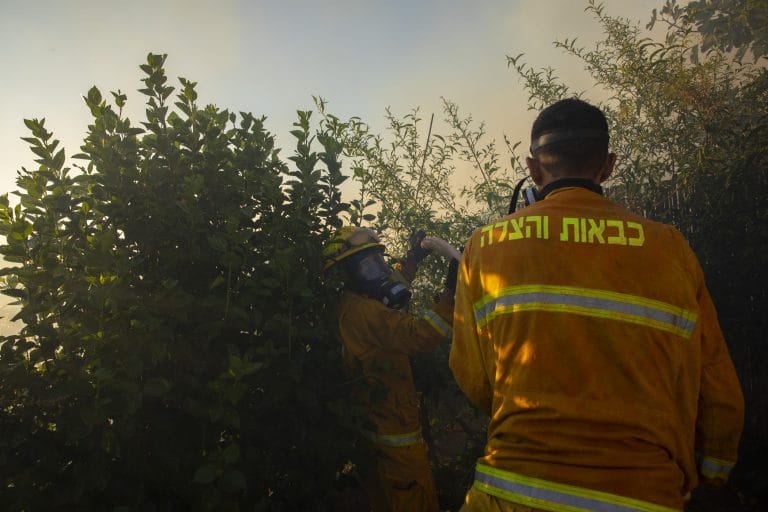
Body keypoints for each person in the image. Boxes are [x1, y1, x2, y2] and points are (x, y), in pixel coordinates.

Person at [449, 98, 744, 512]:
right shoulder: (669, 247)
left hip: (512, 492)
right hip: (644, 495)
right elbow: (715, 380)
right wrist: (714, 470)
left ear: (533, 169)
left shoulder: (486, 246)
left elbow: (475, 377)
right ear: (607, 166)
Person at [323, 226, 457, 512]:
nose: (380, 272)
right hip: (396, 439)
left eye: (379, 262)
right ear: (348, 274)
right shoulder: (365, 312)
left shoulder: (352, 301)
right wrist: (450, 294)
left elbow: (388, 279)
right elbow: (420, 335)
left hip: (373, 433)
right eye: (369, 266)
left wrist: (413, 258)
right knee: (414, 499)